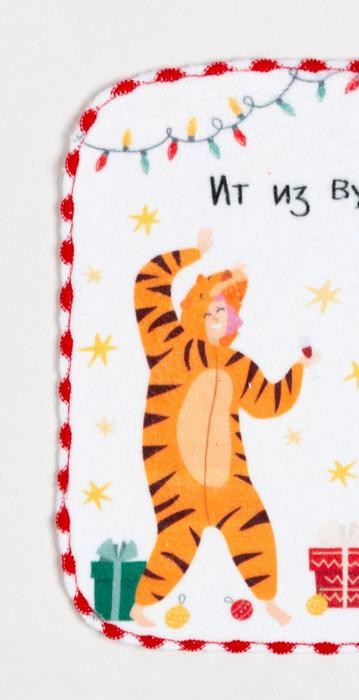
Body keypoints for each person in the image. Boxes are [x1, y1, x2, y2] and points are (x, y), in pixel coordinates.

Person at [129, 228, 314, 627]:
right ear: (194, 311)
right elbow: (148, 284)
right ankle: (140, 606)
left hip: (230, 483)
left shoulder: (237, 364)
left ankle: (268, 601)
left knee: (255, 529)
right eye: (208, 311)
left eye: (222, 313)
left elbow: (268, 402)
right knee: (175, 540)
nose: (215, 320)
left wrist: (298, 369)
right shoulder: (168, 345)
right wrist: (194, 255)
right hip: (176, 478)